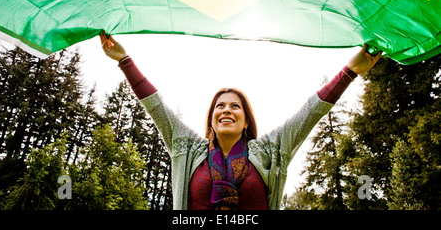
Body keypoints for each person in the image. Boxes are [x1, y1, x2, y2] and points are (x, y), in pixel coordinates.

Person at [100, 31, 381, 210]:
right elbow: (156, 105)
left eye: (236, 106)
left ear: (246, 121)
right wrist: (123, 59)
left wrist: (350, 72)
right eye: (219, 106)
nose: (226, 110)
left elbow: (310, 112)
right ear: (210, 121)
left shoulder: (271, 150)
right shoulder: (186, 148)